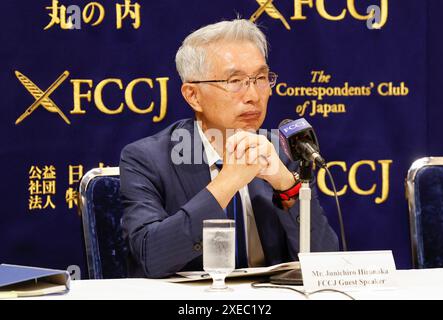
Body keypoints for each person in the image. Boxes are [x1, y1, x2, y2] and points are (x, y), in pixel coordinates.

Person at [120, 19, 338, 278]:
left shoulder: (282, 153)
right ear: (193, 95)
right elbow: (151, 258)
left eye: (260, 78)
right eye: (235, 81)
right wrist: (228, 181)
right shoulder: (146, 159)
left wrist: (285, 185)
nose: (253, 96)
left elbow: (325, 265)